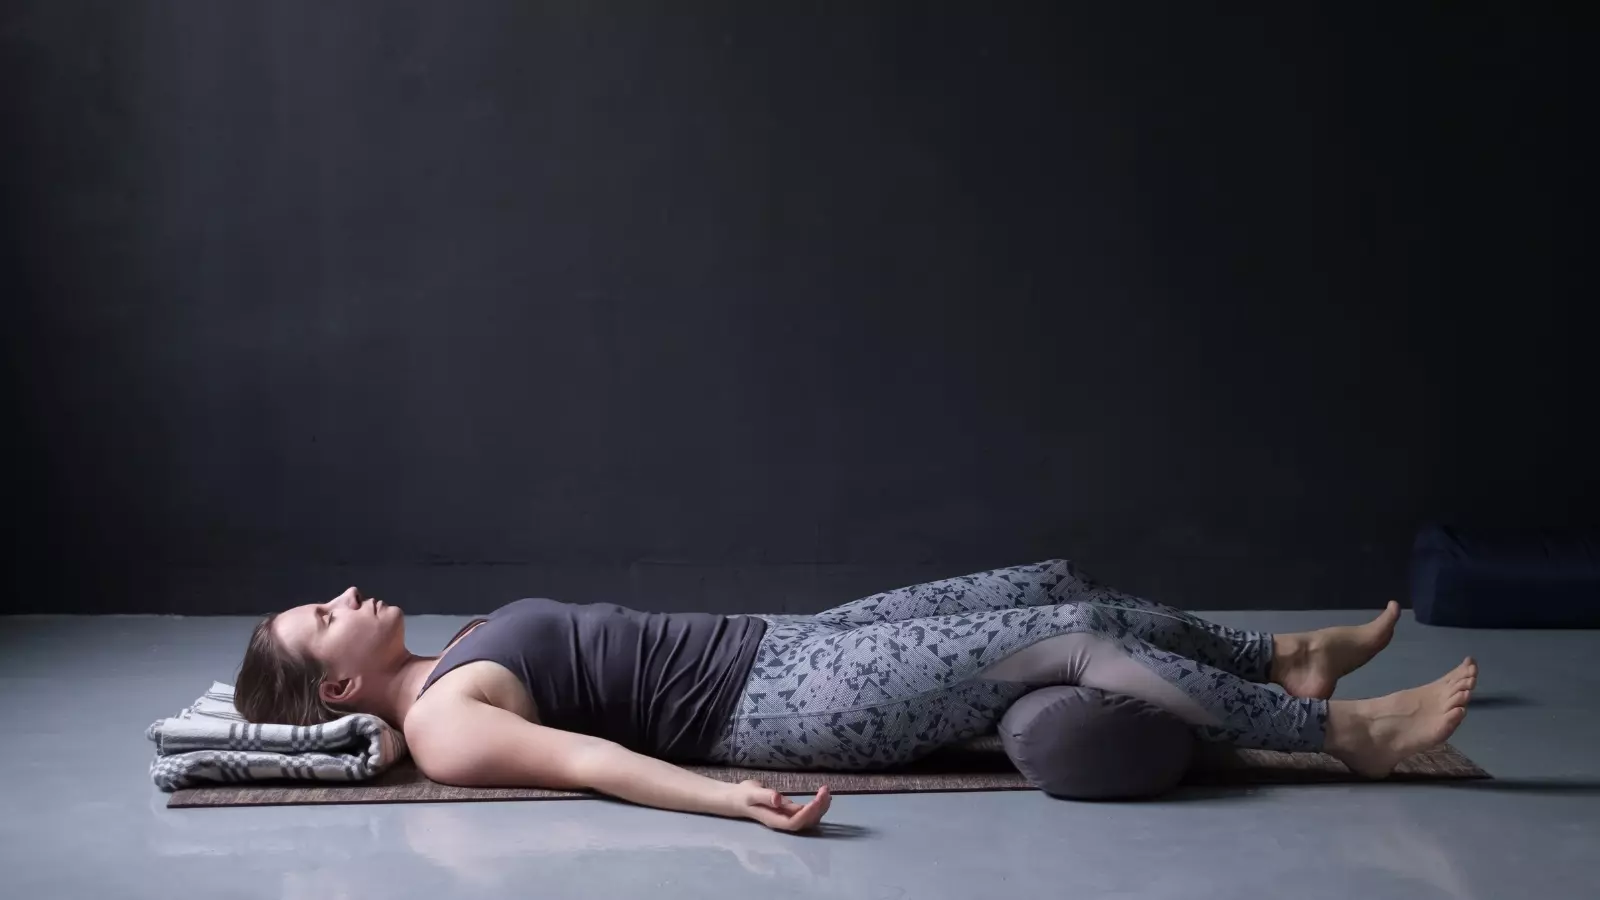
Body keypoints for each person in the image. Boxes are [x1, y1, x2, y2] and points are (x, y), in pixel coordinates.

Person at [234, 560, 1476, 832]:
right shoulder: (444, 727)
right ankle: (1338, 734)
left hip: (784, 639)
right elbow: (592, 766)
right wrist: (735, 801)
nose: (342, 593)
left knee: (1039, 576)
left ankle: (1277, 662)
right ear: (340, 679)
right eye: (322, 615)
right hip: (776, 701)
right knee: (1061, 636)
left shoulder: (450, 651)